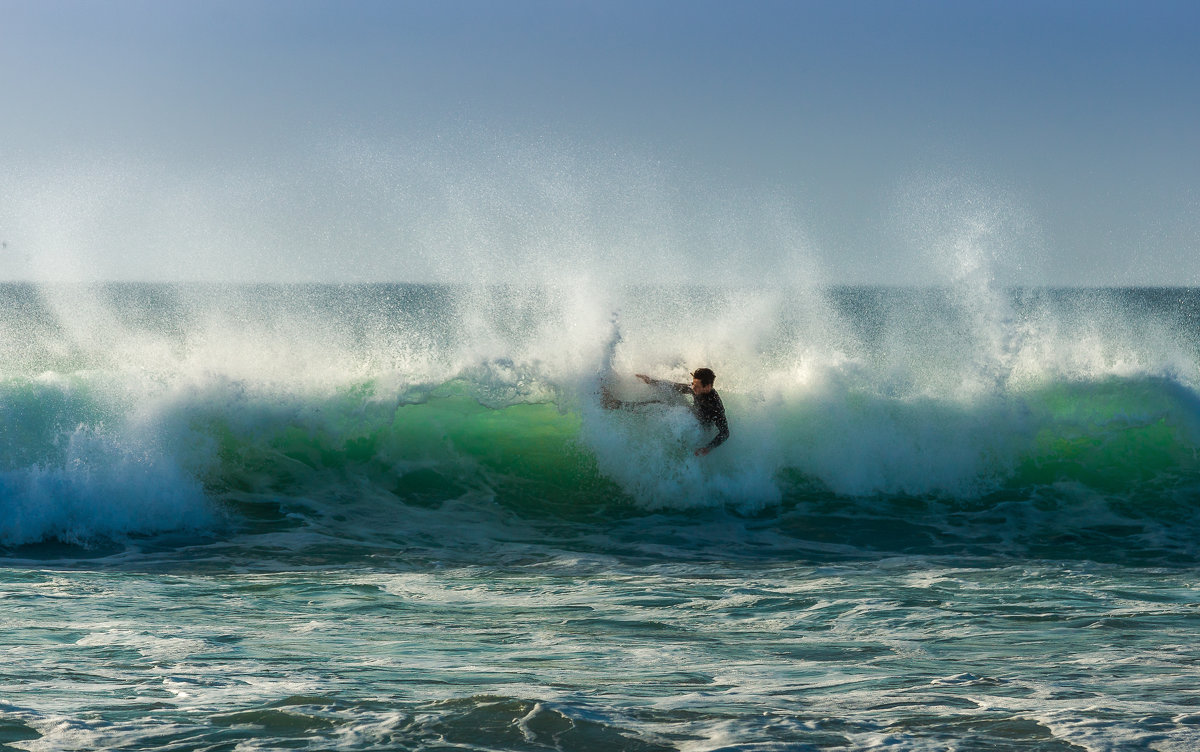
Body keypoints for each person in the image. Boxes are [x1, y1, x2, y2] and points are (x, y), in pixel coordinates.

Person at [635, 368, 730, 456]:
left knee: (662, 407)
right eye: (693, 384)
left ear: (708, 387)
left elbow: (725, 433)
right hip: (692, 414)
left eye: (696, 386)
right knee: (660, 403)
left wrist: (707, 448)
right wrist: (651, 381)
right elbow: (675, 386)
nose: (693, 387)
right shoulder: (696, 388)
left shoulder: (715, 406)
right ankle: (627, 406)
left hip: (699, 429)